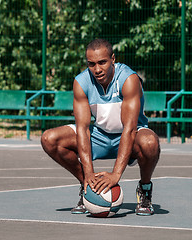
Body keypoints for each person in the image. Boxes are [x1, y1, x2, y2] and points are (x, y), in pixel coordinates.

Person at [41, 38, 160, 216]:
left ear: (113, 59)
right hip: (100, 137)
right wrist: (88, 173)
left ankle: (144, 189)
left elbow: (129, 128)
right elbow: (82, 128)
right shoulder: (81, 82)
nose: (97, 69)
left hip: (131, 137)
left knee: (150, 142)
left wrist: (115, 174)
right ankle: (87, 187)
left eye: (102, 62)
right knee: (49, 139)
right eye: (91, 64)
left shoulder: (129, 79)